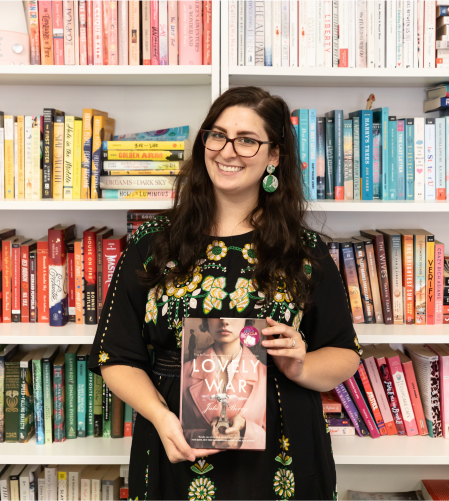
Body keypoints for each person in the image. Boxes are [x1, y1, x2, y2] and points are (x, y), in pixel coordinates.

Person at [88, 86, 362, 500]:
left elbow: (345, 353)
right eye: (217, 135)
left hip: (283, 456)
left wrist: (300, 364)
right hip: (176, 445)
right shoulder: (153, 243)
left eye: (247, 140)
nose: (227, 151)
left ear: (275, 156)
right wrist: (162, 420)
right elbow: (115, 355)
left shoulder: (305, 251)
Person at [180, 318, 267, 450]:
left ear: (247, 319)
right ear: (206, 320)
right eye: (215, 312)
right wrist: (205, 438)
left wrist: (244, 432)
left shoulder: (264, 374)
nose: (224, 320)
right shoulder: (185, 371)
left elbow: (275, 436)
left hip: (250, 464)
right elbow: (177, 433)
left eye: (235, 312)